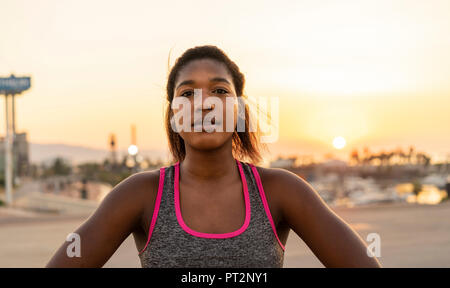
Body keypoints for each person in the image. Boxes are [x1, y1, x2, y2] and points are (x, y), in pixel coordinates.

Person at [46, 45, 381, 268]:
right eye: (187, 93)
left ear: (238, 109)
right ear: (175, 114)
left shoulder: (281, 191)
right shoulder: (140, 195)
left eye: (220, 91)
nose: (203, 103)